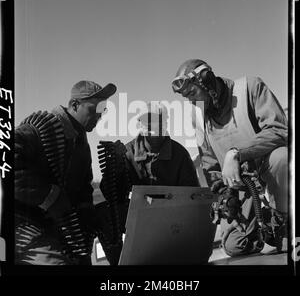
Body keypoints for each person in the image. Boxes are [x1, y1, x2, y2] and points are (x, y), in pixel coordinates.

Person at [171, 59, 288, 256]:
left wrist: (236, 153)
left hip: (270, 173)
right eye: (187, 97)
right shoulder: (197, 116)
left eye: (192, 93)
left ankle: (283, 220)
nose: (191, 101)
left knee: (282, 158)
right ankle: (263, 221)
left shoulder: (250, 87)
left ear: (206, 81)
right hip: (242, 185)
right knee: (235, 246)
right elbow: (210, 164)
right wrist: (224, 194)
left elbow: (279, 129)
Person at [15, 80, 116, 265]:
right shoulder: (39, 129)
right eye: (94, 109)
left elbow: (84, 189)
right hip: (28, 226)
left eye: (103, 110)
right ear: (74, 105)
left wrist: (92, 219)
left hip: (60, 226)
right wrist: (49, 196)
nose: (99, 116)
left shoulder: (80, 141)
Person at [97, 101, 200, 264]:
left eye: (157, 120)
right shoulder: (127, 152)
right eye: (146, 120)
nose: (151, 125)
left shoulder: (179, 153)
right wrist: (114, 167)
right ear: (139, 124)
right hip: (140, 215)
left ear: (165, 122)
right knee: (104, 213)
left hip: (172, 214)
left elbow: (194, 196)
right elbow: (111, 194)